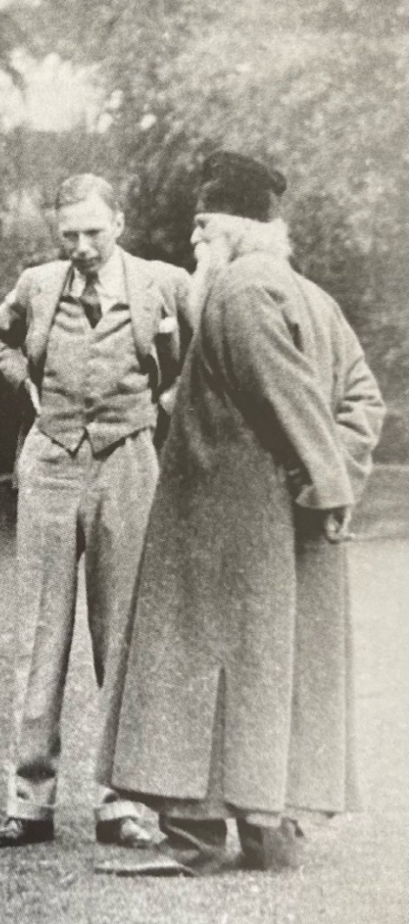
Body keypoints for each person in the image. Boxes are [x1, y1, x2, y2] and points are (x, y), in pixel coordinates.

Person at [97, 151, 386, 877]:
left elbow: (284, 398)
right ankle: (269, 832)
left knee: (197, 666)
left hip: (224, 524)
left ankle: (194, 839)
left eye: (198, 229)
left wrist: (326, 487)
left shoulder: (236, 292)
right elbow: (362, 402)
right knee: (271, 669)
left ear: (215, 228)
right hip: (284, 525)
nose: (193, 244)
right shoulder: (311, 297)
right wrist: (328, 482)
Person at [0, 174, 191, 848]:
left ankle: (119, 804)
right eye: (70, 235)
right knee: (41, 635)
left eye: (94, 231)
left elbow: (200, 352)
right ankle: (29, 804)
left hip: (128, 464)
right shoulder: (38, 284)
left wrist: (163, 407)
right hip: (50, 464)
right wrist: (23, 381)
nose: (83, 246)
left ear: (119, 222)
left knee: (121, 633)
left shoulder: (163, 283)